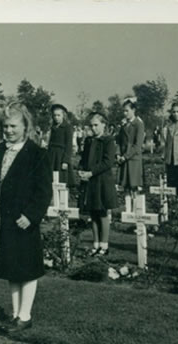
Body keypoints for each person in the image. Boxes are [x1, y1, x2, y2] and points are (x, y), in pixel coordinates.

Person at [0, 102, 52, 333]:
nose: (8, 130)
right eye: (5, 127)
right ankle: (14, 314)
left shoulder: (36, 154)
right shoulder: (1, 151)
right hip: (3, 218)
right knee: (10, 264)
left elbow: (43, 191)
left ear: (25, 126)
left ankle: (25, 315)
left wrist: (31, 216)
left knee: (27, 266)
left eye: (13, 126)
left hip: (23, 220)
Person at [78, 112, 118, 256]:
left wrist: (91, 172)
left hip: (102, 181)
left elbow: (108, 162)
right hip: (90, 181)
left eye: (96, 125)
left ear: (103, 125)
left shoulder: (108, 141)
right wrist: (81, 170)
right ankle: (95, 244)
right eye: (91, 125)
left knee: (102, 212)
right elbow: (84, 158)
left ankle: (104, 245)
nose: (93, 128)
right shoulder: (89, 141)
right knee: (93, 212)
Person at [116, 98, 145, 199]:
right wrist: (118, 154)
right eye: (123, 111)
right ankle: (128, 211)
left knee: (134, 187)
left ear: (133, 110)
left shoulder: (138, 124)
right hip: (124, 159)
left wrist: (125, 156)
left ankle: (136, 212)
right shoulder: (123, 125)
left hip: (133, 159)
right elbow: (119, 141)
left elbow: (137, 146)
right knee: (125, 187)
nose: (125, 113)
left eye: (127, 110)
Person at [47, 104, 75, 186]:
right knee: (52, 176)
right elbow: (50, 143)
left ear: (63, 115)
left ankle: (63, 197)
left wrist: (65, 161)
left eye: (58, 115)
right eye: (54, 115)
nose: (56, 117)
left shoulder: (67, 127)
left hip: (61, 156)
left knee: (62, 177)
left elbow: (69, 145)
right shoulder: (53, 127)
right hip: (52, 155)